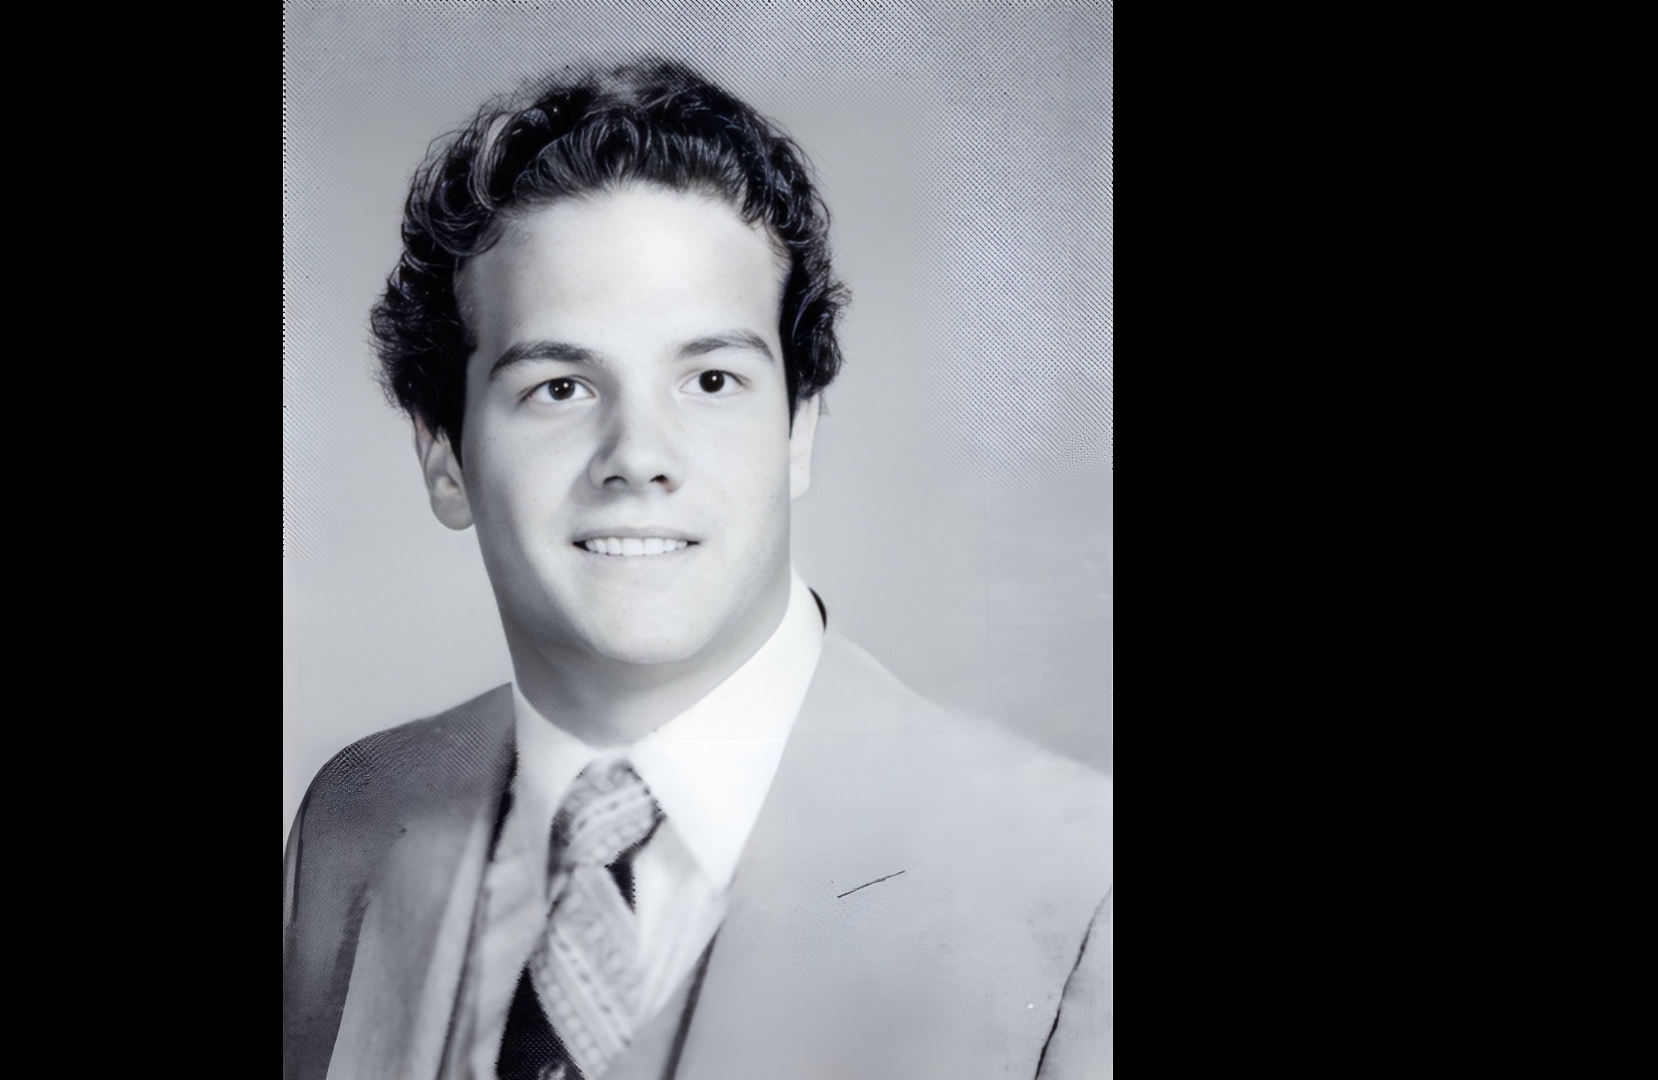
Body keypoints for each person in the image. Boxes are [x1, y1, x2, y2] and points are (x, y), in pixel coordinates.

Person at [283, 58, 1113, 1080]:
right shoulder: (354, 818)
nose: (639, 456)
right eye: (559, 387)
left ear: (799, 429)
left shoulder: (1076, 885)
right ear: (444, 456)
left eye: (711, 379)